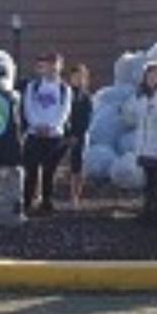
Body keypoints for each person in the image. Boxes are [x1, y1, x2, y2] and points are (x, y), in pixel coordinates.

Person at [124, 62, 157, 226]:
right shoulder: (142, 94)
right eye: (149, 75)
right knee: (149, 183)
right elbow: (133, 115)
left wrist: (153, 109)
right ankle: (149, 212)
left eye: (156, 75)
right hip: (145, 146)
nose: (152, 78)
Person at [22, 52, 72, 214]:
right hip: (34, 134)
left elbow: (64, 112)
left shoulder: (64, 89)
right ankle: (28, 200)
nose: (52, 68)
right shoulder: (33, 86)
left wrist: (51, 127)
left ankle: (47, 200)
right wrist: (37, 125)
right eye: (49, 64)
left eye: (55, 64)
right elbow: (28, 107)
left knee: (50, 170)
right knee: (31, 169)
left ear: (60, 66)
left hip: (54, 135)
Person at [65, 64, 92, 207]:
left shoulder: (86, 97)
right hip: (63, 133)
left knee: (78, 166)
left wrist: (77, 134)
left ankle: (74, 196)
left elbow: (87, 119)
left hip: (79, 134)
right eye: (75, 77)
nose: (77, 80)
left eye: (80, 77)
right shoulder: (65, 93)